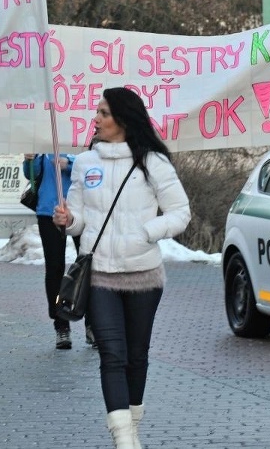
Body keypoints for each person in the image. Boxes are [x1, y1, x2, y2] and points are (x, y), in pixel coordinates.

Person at [53, 87, 191, 448]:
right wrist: (68, 220)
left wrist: (147, 233)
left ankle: (133, 424)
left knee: (136, 356)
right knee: (111, 355)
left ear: (123, 120)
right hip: (99, 276)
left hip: (143, 275)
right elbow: (80, 221)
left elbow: (180, 213)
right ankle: (124, 439)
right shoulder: (85, 163)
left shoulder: (153, 162)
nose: (95, 119)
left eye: (103, 113)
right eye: (96, 112)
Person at [22, 152, 82, 349]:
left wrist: (70, 163)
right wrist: (30, 160)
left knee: (89, 266)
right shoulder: (42, 140)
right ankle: (61, 324)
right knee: (55, 268)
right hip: (49, 211)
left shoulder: (80, 133)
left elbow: (93, 168)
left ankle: (93, 323)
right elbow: (31, 174)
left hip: (81, 209)